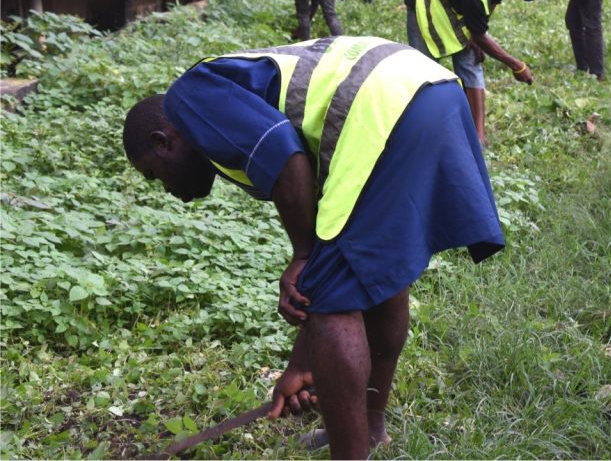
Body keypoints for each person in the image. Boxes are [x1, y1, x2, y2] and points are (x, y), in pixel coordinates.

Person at [122, 36, 505, 458]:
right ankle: (371, 429)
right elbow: (330, 230)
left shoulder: (188, 98)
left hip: (383, 111)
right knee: (376, 275)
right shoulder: (226, 101)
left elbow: (287, 157)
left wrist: (303, 256)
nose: (169, 190)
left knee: (331, 300)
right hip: (430, 89)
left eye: (154, 174)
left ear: (163, 142)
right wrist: (301, 363)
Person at [404, 0, 538, 144]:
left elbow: (492, 0)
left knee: (471, 61)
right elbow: (480, 31)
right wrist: (517, 66)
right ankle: (424, 130)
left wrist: (476, 35)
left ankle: (478, 136)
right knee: (426, 69)